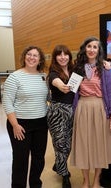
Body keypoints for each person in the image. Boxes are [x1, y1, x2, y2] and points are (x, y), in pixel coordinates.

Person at [70, 36, 111, 188]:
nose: (92, 49)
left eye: (95, 47)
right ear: (85, 48)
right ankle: (85, 180)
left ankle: (97, 179)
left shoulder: (105, 69)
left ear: (99, 51)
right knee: (83, 144)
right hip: (82, 108)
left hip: (100, 108)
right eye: (89, 46)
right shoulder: (78, 68)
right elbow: (72, 91)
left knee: (100, 144)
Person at [2, 46, 48, 188]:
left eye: (35, 55)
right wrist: (15, 125)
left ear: (40, 59)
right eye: (29, 54)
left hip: (41, 124)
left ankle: (35, 184)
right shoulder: (15, 77)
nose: (32, 57)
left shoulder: (43, 76)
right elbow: (7, 102)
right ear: (24, 56)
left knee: (39, 159)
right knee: (21, 160)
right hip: (20, 124)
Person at [46, 45, 75, 188]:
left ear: (69, 56)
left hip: (72, 112)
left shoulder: (75, 71)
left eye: (65, 54)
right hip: (57, 113)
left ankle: (58, 165)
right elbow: (55, 81)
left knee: (68, 145)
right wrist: (61, 86)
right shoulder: (53, 73)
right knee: (60, 144)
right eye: (59, 54)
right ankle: (64, 175)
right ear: (55, 57)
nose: (63, 57)